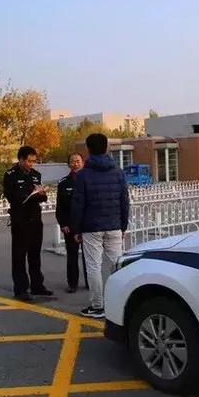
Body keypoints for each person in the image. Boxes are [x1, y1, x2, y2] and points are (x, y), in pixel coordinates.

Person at [71, 133, 130, 318]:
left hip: (91, 228)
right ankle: (122, 302)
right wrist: (123, 226)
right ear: (106, 148)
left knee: (94, 267)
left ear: (88, 149)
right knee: (117, 265)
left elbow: (78, 204)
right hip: (114, 225)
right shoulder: (118, 172)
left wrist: (76, 229)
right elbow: (124, 201)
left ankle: (97, 306)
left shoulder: (82, 175)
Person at [3, 146, 53, 301]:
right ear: (21, 159)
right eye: (29, 161)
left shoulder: (35, 175)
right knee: (19, 255)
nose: (32, 164)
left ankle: (37, 285)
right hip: (20, 220)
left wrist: (41, 194)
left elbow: (42, 198)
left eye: (34, 161)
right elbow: (13, 197)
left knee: (35, 254)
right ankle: (21, 289)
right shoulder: (10, 175)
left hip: (35, 219)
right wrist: (31, 195)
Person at [55, 153, 89, 293]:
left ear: (83, 163)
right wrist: (63, 224)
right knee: (72, 256)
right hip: (70, 226)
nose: (75, 164)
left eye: (78, 161)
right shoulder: (64, 183)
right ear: (69, 164)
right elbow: (60, 207)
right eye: (72, 162)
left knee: (89, 256)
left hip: (87, 225)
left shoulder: (89, 180)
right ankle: (72, 284)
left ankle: (90, 282)